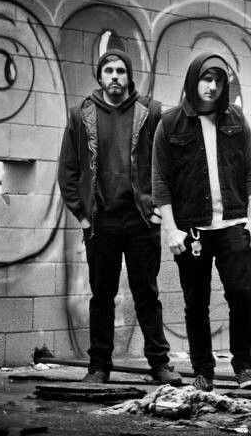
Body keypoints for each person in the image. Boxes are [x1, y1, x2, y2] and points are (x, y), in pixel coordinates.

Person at [58, 49, 181, 385]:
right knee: (102, 297)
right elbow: (67, 170)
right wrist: (82, 215)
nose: (115, 76)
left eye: (121, 71)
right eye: (109, 71)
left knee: (147, 295)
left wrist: (159, 209)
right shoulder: (81, 115)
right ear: (100, 77)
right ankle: (99, 367)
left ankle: (159, 365)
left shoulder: (150, 112)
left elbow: (168, 163)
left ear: (129, 76)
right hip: (100, 221)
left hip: (141, 219)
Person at [152, 52, 251, 391]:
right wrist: (170, 228)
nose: (212, 86)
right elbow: (160, 181)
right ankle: (203, 372)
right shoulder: (170, 123)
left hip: (234, 223)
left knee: (241, 295)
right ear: (193, 81)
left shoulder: (236, 119)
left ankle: (244, 368)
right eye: (206, 79)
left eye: (218, 80)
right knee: (196, 303)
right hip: (191, 229)